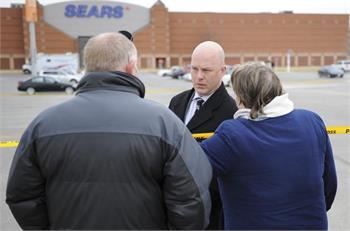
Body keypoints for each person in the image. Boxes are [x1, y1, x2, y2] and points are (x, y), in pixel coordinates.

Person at [6, 32, 212, 230]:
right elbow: (192, 199)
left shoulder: (43, 125)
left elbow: (21, 195)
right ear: (131, 67)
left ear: (87, 67)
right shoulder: (165, 123)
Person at [201, 62, 337, 230]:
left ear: (242, 98)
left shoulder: (232, 135)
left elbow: (184, 170)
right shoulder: (312, 121)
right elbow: (329, 185)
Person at [169, 41, 238, 229]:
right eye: (194, 69)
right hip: (174, 207)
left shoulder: (231, 112)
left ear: (223, 70)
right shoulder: (177, 102)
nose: (199, 77)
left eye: (206, 70)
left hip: (210, 213)